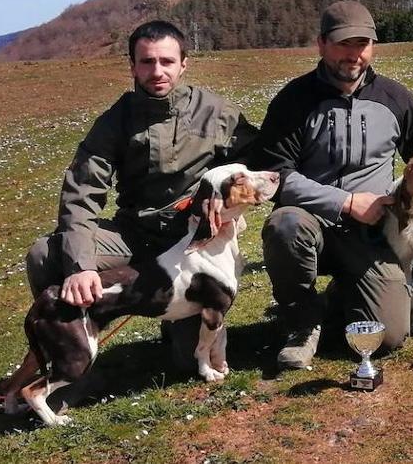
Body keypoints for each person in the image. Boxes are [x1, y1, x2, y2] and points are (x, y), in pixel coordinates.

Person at [25, 20, 259, 367]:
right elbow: (81, 194)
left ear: (184, 63)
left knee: (184, 363)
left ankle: (174, 320)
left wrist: (225, 207)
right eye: (147, 62)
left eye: (166, 61)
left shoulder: (217, 112)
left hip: (190, 244)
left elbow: (253, 163)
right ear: (132, 65)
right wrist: (80, 266)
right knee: (45, 253)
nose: (157, 71)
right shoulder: (114, 121)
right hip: (132, 236)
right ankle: (69, 357)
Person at [256, 0, 413, 369]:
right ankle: (302, 324)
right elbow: (276, 177)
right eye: (343, 44)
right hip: (310, 223)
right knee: (284, 224)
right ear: (321, 44)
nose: (354, 55)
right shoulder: (293, 101)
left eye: (362, 45)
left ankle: (343, 294)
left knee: (389, 336)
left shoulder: (395, 99)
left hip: (373, 235)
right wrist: (346, 202)